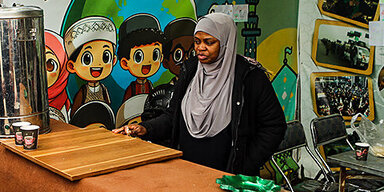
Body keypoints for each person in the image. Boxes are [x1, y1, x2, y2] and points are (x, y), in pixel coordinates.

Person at [113, 13, 286, 175]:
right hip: (188, 170)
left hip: (227, 176)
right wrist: (145, 128)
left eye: (209, 42)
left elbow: (274, 126)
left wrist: (245, 166)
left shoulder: (249, 77)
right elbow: (172, 116)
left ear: (226, 42)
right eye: (197, 41)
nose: (200, 48)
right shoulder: (191, 70)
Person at [64, 16, 117, 116]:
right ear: (72, 66)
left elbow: (108, 105)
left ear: (113, 60)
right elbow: (75, 112)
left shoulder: (103, 89)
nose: (98, 65)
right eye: (87, 59)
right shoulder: (83, 92)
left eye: (106, 57)